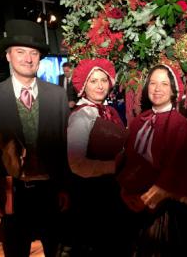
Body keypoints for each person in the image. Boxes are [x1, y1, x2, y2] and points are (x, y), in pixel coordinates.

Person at [0, 19, 71, 257]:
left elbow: (64, 147)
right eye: (20, 52)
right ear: (8, 55)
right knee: (15, 251)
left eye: (34, 53)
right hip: (13, 194)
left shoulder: (57, 96)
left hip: (50, 192)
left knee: (57, 250)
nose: (28, 58)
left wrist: (65, 188)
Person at [117, 63, 187, 256]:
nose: (157, 88)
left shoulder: (181, 125)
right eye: (153, 83)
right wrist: (125, 192)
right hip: (134, 204)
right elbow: (128, 161)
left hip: (166, 209)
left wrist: (146, 200)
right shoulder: (138, 122)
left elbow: (176, 169)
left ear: (173, 90)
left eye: (163, 84)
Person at [67, 58, 132, 256]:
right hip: (91, 196)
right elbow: (77, 164)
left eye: (103, 80)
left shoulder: (110, 111)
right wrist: (116, 166)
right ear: (84, 86)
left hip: (111, 192)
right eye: (93, 81)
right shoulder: (81, 116)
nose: (100, 85)